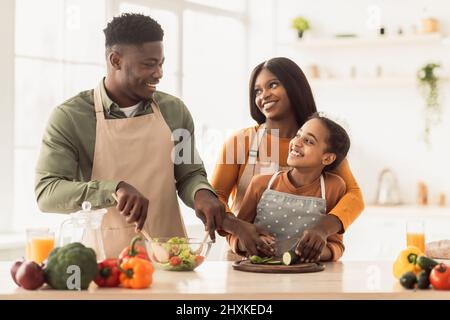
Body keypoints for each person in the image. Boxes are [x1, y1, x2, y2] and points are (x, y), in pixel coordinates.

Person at [35, 13, 270, 258]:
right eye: (148, 64)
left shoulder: (174, 111)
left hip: (171, 256)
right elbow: (47, 192)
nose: (159, 74)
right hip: (102, 262)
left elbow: (189, 174)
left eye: (161, 63)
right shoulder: (70, 117)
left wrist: (202, 194)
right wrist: (114, 189)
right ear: (115, 60)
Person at [211, 57, 364, 259]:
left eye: (272, 85)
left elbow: (354, 197)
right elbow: (215, 198)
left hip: (306, 266)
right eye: (257, 91)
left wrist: (323, 229)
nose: (263, 95)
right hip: (244, 258)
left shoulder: (321, 144)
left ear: (294, 87)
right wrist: (238, 230)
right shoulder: (240, 142)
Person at [227, 114, 350, 262]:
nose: (297, 142)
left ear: (327, 158)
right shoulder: (260, 184)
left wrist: (315, 253)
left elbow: (336, 245)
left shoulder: (334, 187)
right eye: (298, 135)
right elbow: (235, 234)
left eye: (308, 141)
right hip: (259, 275)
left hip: (309, 279)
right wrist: (249, 245)